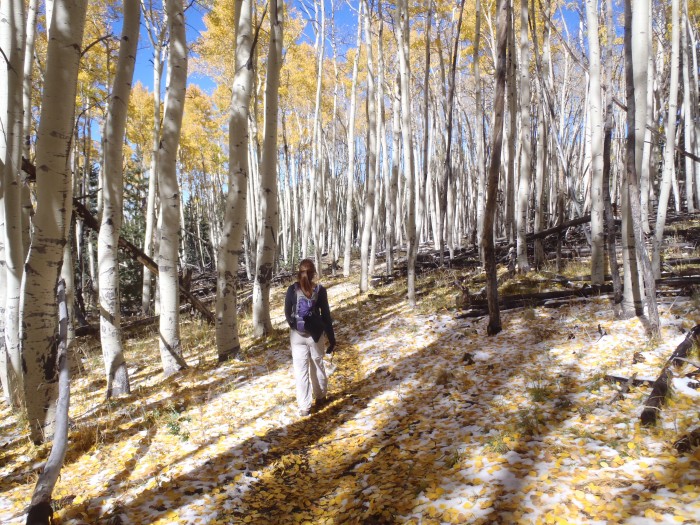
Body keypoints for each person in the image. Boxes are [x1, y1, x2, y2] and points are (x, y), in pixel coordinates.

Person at [284, 259, 336, 417]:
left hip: (297, 336)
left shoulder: (292, 289)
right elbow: (326, 315)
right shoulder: (320, 290)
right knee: (317, 365)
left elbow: (287, 312)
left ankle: (304, 407)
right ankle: (320, 396)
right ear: (313, 273)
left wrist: (295, 326)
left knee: (301, 371)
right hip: (315, 335)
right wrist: (331, 338)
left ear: (299, 272)